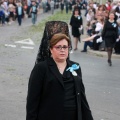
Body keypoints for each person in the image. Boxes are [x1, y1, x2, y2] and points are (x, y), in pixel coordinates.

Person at [26, 33, 94, 120]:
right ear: (51, 49)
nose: (62, 50)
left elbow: (81, 96)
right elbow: (33, 99)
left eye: (65, 47)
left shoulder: (75, 66)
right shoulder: (41, 68)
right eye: (58, 47)